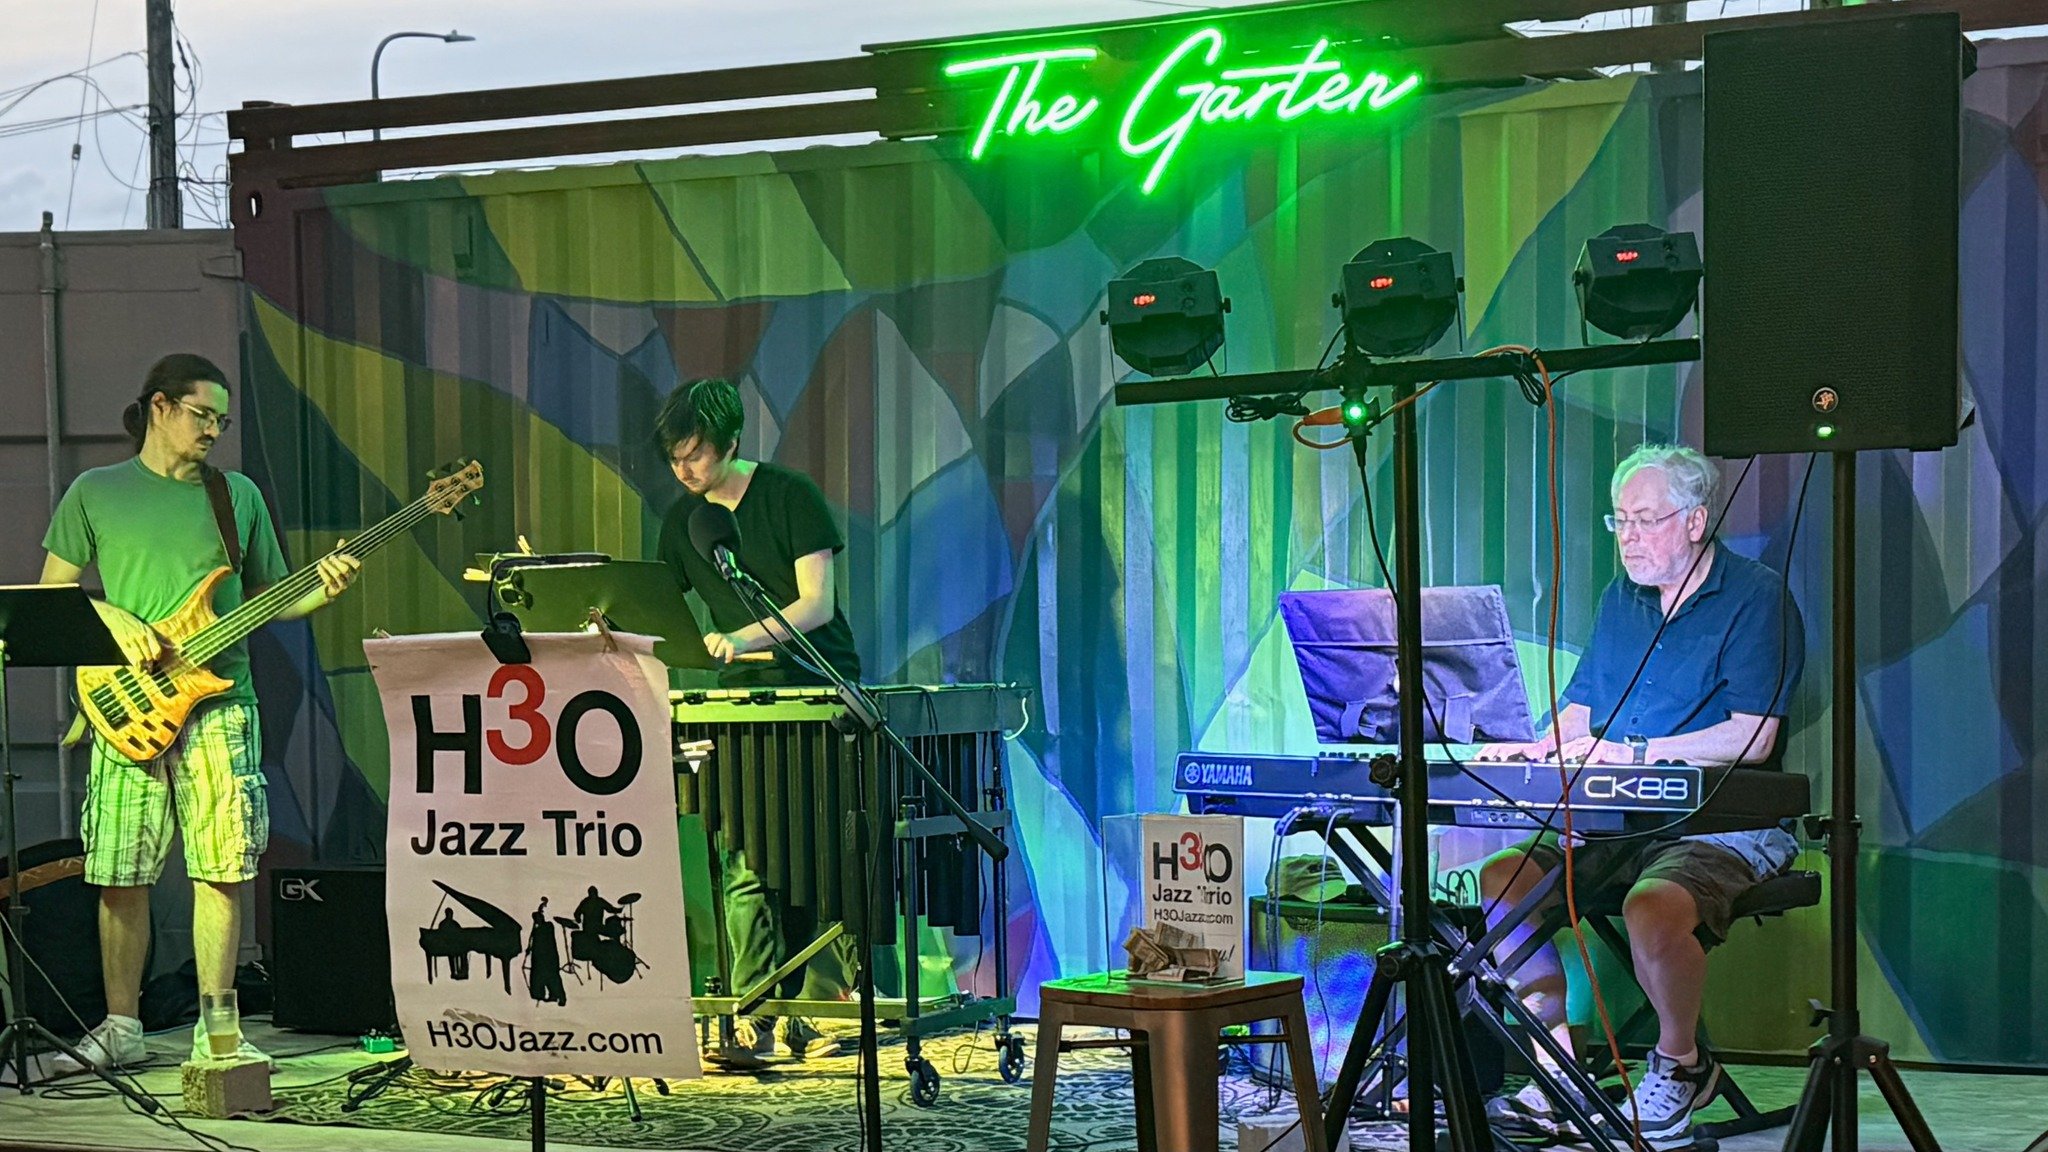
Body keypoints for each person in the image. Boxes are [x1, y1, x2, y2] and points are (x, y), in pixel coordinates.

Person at [1475, 443, 1804, 1150]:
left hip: (1724, 824)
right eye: (1618, 520)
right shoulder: (1619, 598)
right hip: (1620, 821)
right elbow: (1579, 714)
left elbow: (1755, 737)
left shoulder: (1756, 595)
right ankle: (1555, 1067)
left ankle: (1682, 1066)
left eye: (1645, 519)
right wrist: (1532, 747)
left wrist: (1638, 754)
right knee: (1504, 880)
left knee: (1651, 905)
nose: (1627, 536)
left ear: (1694, 521)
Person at [40, 354, 359, 1071]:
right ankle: (120, 1026)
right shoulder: (95, 492)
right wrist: (111, 616)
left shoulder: (234, 496)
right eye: (201, 413)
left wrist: (325, 587)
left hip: (221, 702)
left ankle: (218, 1029)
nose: (213, 428)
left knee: (221, 866)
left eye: (221, 418)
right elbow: (53, 596)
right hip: (126, 703)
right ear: (160, 407)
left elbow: (275, 597)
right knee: (120, 869)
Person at [652, 378, 860, 1066]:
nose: (686, 473)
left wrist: (742, 637)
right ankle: (756, 1018)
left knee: (826, 856)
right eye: (675, 460)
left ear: (731, 442)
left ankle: (829, 1008)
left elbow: (816, 605)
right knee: (747, 860)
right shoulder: (683, 521)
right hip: (741, 704)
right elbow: (663, 611)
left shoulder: (788, 494)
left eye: (696, 457)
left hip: (820, 689)